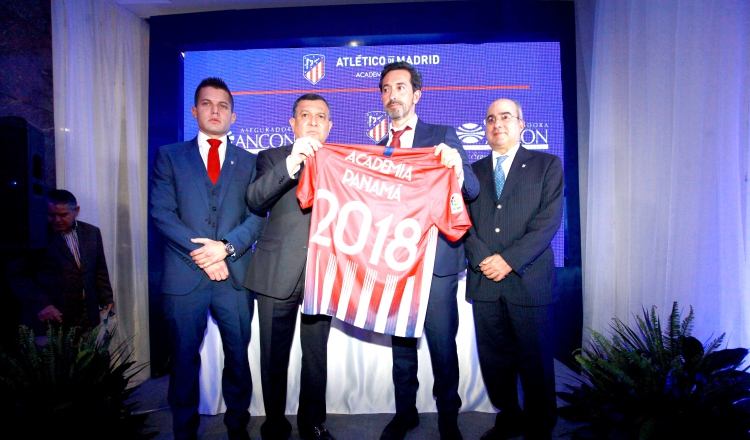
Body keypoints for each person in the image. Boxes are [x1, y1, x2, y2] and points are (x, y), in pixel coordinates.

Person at [149, 77, 265, 440]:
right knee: (183, 362)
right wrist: (206, 255)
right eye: (207, 104)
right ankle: (184, 431)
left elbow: (257, 215)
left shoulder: (250, 161)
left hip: (235, 278)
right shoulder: (169, 156)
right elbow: (162, 214)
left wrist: (225, 248)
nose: (215, 111)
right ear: (194, 110)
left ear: (233, 116)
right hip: (185, 279)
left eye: (223, 106)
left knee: (237, 359)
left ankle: (237, 426)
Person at [375, 61, 480, 440]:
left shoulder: (442, 135)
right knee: (401, 346)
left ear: (416, 95)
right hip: (396, 264)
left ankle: (448, 417)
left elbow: (472, 192)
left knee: (441, 345)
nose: (392, 95)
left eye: (400, 88)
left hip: (436, 263)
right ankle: (406, 414)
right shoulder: (378, 149)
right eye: (386, 89)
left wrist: (458, 169)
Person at [463, 99, 564, 440]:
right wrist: (482, 258)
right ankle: (509, 417)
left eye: (506, 116)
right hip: (485, 281)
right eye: (490, 118)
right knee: (495, 362)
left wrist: (508, 260)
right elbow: (462, 222)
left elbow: (548, 222)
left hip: (528, 279)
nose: (497, 123)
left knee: (535, 361)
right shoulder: (472, 172)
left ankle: (540, 425)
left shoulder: (547, 165)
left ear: (522, 124)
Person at [244, 93, 335, 440]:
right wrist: (291, 164)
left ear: (329, 125)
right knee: (272, 357)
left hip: (322, 276)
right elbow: (255, 199)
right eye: (305, 115)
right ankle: (274, 423)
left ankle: (312, 423)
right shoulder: (271, 157)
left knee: (315, 359)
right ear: (292, 123)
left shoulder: (342, 163)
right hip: (275, 273)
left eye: (320, 116)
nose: (313, 121)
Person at [7, 189, 114, 335]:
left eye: (63, 215)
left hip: (85, 315)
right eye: (51, 215)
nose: (56, 220)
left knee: (86, 356)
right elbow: (17, 276)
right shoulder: (33, 233)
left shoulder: (91, 232)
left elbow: (99, 268)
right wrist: (41, 305)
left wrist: (106, 297)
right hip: (49, 319)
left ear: (76, 211)